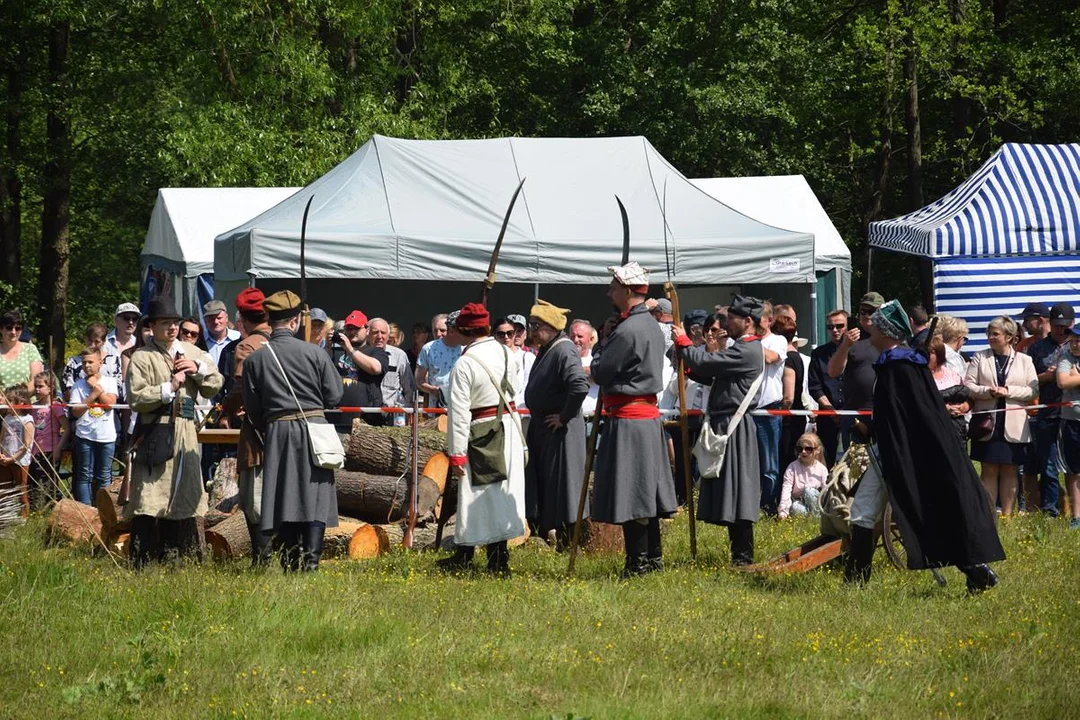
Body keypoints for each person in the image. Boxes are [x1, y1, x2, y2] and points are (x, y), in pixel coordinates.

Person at [845, 299, 1004, 592]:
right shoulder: (898, 363)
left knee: (923, 511)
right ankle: (855, 580)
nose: (871, 333)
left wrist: (879, 430)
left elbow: (909, 416)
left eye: (876, 327)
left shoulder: (900, 366)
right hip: (890, 449)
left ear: (887, 332)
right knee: (865, 511)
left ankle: (976, 570)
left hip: (903, 452)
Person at [242, 290, 344, 572]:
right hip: (314, 428)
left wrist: (273, 426)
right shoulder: (315, 353)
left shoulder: (254, 360)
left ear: (270, 320)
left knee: (283, 496)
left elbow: (252, 409)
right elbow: (334, 395)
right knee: (316, 497)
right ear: (295, 321)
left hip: (277, 432)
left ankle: (289, 563)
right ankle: (310, 563)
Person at [124, 296, 224, 568]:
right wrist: (168, 388)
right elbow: (136, 398)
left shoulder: (192, 353)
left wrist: (197, 370)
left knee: (183, 497)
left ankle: (176, 560)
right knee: (148, 498)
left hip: (187, 432)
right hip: (155, 431)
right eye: (165, 323)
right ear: (152, 326)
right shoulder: (142, 356)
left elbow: (215, 385)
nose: (171, 328)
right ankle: (142, 563)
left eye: (174, 322)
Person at [592, 262, 678, 577]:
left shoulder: (627, 330)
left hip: (630, 420)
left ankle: (638, 563)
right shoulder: (651, 326)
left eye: (613, 287)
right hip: (645, 418)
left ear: (628, 290)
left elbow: (601, 371)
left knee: (634, 492)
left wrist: (603, 342)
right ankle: (652, 559)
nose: (609, 292)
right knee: (646, 492)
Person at [672, 295, 764, 565]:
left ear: (748, 322)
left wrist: (685, 342)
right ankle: (739, 555)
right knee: (730, 491)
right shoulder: (740, 348)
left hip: (735, 427)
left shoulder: (747, 349)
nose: (727, 324)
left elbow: (708, 364)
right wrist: (685, 355)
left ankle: (743, 557)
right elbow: (707, 371)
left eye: (732, 319)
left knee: (740, 494)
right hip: (725, 423)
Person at [438, 303, 527, 577]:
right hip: (508, 429)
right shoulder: (508, 352)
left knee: (478, 496)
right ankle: (489, 557)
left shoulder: (465, 363)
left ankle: (488, 559)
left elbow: (459, 412)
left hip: (480, 431)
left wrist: (456, 452)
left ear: (465, 329)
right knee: (497, 495)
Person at [523, 300, 589, 549]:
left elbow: (579, 385)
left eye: (534, 325)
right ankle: (555, 538)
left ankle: (571, 543)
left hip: (561, 432)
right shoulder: (550, 348)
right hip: (546, 430)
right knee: (551, 485)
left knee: (566, 487)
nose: (531, 330)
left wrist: (563, 416)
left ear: (547, 326)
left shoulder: (564, 350)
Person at [219, 288, 274, 565]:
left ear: (242, 317)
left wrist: (225, 409)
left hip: (258, 433)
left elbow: (241, 388)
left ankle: (261, 561)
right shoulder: (285, 342)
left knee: (254, 500)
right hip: (290, 435)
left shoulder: (246, 346)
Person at [964, 316, 1037, 516]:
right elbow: (968, 386)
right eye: (989, 333)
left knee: (1010, 469)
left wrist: (1008, 391)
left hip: (1014, 424)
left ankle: (1007, 516)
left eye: (995, 334)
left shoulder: (1025, 360)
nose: (990, 337)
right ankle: (988, 514)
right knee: (988, 469)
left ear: (1010, 337)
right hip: (987, 423)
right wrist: (988, 391)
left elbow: (1033, 390)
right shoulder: (979, 357)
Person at [1025, 301, 1074, 515]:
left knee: (1074, 467)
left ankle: (1075, 510)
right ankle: (1050, 509)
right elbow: (1027, 381)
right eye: (1057, 326)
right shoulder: (1036, 348)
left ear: (1073, 323)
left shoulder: (1076, 344)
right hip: (1047, 413)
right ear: (1049, 324)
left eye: (1065, 326)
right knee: (1048, 466)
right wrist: (1044, 377)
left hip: (1073, 415)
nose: (1061, 331)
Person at [828, 292, 883, 455]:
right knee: (854, 469)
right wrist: (845, 346)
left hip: (883, 412)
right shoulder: (852, 338)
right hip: (855, 414)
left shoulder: (891, 337)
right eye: (863, 311)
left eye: (871, 311)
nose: (866, 315)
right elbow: (833, 371)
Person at [68, 348, 119, 505]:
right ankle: (86, 511)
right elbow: (75, 411)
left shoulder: (110, 382)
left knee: (104, 475)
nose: (87, 365)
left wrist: (98, 389)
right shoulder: (78, 385)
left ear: (100, 363)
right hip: (84, 435)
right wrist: (92, 395)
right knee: (84, 475)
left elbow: (110, 404)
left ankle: (104, 511)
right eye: (84, 362)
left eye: (90, 362)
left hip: (106, 436)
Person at [329, 310, 389, 430]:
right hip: (336, 417)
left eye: (356, 328)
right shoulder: (336, 351)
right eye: (349, 328)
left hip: (366, 419)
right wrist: (327, 345)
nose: (352, 332)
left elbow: (375, 368)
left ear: (367, 330)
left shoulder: (376, 351)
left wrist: (350, 350)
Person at [753, 301, 786, 514]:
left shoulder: (778, 340)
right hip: (747, 410)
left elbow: (770, 358)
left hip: (769, 411)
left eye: (758, 319)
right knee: (748, 464)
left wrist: (748, 341)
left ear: (770, 320)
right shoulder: (748, 341)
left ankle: (767, 507)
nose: (754, 324)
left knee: (769, 466)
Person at [808, 310, 847, 466]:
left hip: (852, 413)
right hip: (827, 415)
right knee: (825, 462)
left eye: (839, 326)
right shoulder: (819, 354)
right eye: (830, 327)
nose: (835, 330)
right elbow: (814, 386)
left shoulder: (858, 351)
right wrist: (831, 411)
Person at [27, 371, 69, 509]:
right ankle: (37, 510)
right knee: (35, 482)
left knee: (50, 483)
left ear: (50, 387)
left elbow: (67, 428)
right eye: (36, 386)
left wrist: (58, 448)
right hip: (35, 450)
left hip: (50, 449)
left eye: (40, 386)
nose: (37, 389)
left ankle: (54, 509)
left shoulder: (56, 406)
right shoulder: (35, 406)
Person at [772, 314, 807, 473]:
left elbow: (788, 397)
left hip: (788, 421)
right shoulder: (796, 356)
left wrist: (779, 413)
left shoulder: (788, 359)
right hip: (795, 417)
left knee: (785, 462)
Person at [1055, 325, 1080, 529]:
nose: (1076, 344)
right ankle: (1076, 516)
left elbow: (1071, 380)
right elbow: (1063, 382)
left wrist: (1076, 378)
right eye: (1073, 340)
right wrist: (1071, 378)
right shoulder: (1065, 357)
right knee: (1073, 471)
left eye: (1079, 341)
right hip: (1071, 422)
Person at [61, 322, 123, 399]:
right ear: (85, 339)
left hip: (106, 405)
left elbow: (118, 389)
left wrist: (96, 390)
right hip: (81, 405)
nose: (92, 345)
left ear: (103, 342)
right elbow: (67, 391)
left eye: (97, 341)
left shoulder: (113, 361)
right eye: (90, 340)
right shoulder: (73, 362)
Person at [369, 317, 414, 421]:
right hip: (365, 412)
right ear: (368, 333)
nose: (379, 336)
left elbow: (409, 388)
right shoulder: (360, 354)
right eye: (375, 332)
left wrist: (403, 412)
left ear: (388, 335)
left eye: (383, 333)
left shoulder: (399, 356)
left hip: (391, 415)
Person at [927, 337, 970, 446]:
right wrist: (944, 408)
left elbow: (968, 398)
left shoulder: (953, 375)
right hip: (931, 430)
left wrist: (964, 407)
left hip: (956, 430)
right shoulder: (919, 378)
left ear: (940, 354)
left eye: (931, 353)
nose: (927, 356)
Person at [416, 311, 463, 408]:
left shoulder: (465, 347)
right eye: (435, 330)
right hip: (436, 406)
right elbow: (419, 379)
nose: (438, 334)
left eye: (442, 330)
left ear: (451, 329)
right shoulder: (428, 349)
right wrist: (431, 389)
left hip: (461, 404)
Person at [0, 386, 34, 515]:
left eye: (9, 400)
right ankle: (5, 516)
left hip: (20, 461)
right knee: (3, 489)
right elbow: (1, 439)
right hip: (4, 459)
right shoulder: (7, 418)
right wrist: (2, 455)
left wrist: (12, 459)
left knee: (21, 491)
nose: (5, 403)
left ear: (21, 402)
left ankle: (24, 519)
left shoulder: (27, 420)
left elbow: (26, 445)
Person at [778, 432, 828, 520]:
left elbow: (826, 492)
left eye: (808, 449)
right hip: (799, 501)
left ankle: (817, 519)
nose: (803, 452)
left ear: (817, 450)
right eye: (800, 449)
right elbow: (786, 489)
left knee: (809, 491)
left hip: (816, 502)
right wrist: (783, 511)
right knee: (795, 508)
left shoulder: (822, 469)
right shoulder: (792, 467)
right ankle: (808, 519)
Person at [0, 310, 43, 394]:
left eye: (17, 328)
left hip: (27, 402)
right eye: (9, 328)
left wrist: (15, 398)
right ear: (1, 329)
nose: (13, 332)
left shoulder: (30, 349)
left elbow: (36, 381)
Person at [569, 319, 598, 417]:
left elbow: (599, 374)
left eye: (580, 336)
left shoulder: (596, 358)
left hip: (593, 420)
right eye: (572, 336)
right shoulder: (563, 358)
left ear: (590, 339)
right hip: (570, 419)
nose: (575, 340)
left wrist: (572, 372)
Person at [506, 314, 536, 406]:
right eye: (513, 331)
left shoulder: (533, 355)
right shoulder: (498, 355)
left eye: (520, 331)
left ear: (525, 334)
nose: (516, 334)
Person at [202, 300, 241, 366]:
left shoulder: (238, 337)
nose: (216, 322)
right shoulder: (200, 340)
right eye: (211, 319)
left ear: (226, 318)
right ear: (205, 321)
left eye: (219, 318)